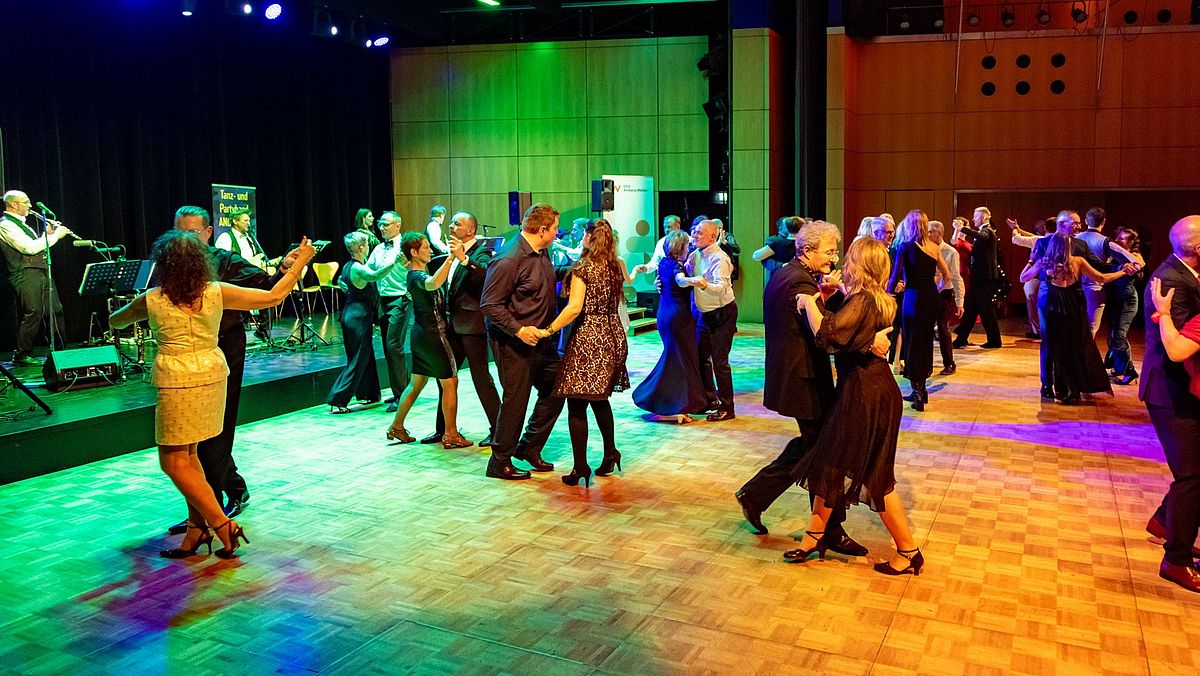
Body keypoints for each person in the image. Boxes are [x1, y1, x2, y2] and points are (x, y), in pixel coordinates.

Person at [110, 229, 315, 559]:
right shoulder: (216, 291)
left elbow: (116, 322)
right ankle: (197, 530)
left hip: (178, 380)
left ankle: (222, 524)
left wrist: (131, 310)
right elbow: (274, 297)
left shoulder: (152, 299)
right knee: (191, 458)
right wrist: (300, 263)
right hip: (212, 375)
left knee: (173, 461)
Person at [736, 220, 885, 554]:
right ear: (806, 250)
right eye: (829, 252)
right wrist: (864, 337)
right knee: (825, 450)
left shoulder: (786, 274)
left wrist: (825, 296)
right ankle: (828, 529)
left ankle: (757, 496)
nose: (834, 258)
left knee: (814, 446)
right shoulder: (800, 282)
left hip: (795, 375)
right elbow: (825, 335)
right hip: (803, 378)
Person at [785, 237, 922, 575]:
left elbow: (829, 336)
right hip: (873, 389)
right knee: (831, 465)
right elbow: (854, 332)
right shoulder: (876, 298)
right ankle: (813, 537)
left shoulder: (863, 300)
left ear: (860, 265)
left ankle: (908, 551)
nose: (844, 262)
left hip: (864, 393)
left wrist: (809, 303)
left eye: (849, 258)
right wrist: (835, 297)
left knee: (873, 476)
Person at [164, 206, 302, 532]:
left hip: (223, 348)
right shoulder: (169, 264)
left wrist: (287, 267)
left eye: (192, 232)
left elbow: (267, 285)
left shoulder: (224, 261)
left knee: (217, 426)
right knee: (194, 432)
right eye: (180, 231)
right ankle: (228, 492)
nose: (185, 238)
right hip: (188, 356)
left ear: (208, 232)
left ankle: (208, 511)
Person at [480, 203, 570, 480]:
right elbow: (490, 305)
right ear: (542, 230)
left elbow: (544, 279)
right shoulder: (509, 259)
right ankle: (499, 461)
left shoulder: (541, 252)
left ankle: (529, 447)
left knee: (558, 386)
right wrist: (519, 330)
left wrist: (574, 272)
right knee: (515, 401)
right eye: (554, 229)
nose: (556, 233)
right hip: (513, 343)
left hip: (541, 340)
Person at [538, 219, 630, 487]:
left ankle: (580, 467)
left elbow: (574, 308)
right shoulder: (614, 267)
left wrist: (548, 329)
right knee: (600, 399)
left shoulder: (583, 269)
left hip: (589, 339)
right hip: (612, 336)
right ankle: (611, 452)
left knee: (576, 404)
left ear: (589, 237)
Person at [1140, 216, 1200, 593]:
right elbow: (1176, 348)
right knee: (1192, 476)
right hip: (1170, 390)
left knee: (1192, 472)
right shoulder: (1172, 280)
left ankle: (1166, 521)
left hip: (1182, 388)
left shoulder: (1184, 274)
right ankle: (1176, 559)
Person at [1019, 226, 1134, 404]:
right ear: (1068, 246)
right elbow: (1102, 278)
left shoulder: (1044, 262)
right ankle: (1071, 389)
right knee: (1071, 347)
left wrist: (1030, 260)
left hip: (1052, 307)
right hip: (1072, 307)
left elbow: (1023, 278)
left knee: (1050, 346)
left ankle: (1048, 386)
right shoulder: (1078, 261)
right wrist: (1122, 272)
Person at [386, 232, 471, 448]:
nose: (430, 251)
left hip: (421, 335)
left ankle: (397, 426)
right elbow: (432, 284)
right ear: (414, 252)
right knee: (450, 382)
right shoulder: (416, 276)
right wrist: (451, 258)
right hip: (434, 336)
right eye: (426, 247)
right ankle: (450, 433)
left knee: (417, 383)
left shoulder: (416, 274)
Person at [426, 211, 502, 447]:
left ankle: (499, 430)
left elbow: (486, 277)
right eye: (451, 223)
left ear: (470, 230)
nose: (451, 226)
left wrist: (465, 259)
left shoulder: (480, 252)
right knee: (445, 377)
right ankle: (443, 429)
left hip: (473, 326)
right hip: (452, 326)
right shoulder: (450, 253)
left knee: (481, 379)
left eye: (456, 224)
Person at [632, 230, 708, 423]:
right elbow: (680, 281)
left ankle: (675, 404)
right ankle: (673, 405)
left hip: (665, 314)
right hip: (677, 316)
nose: (689, 248)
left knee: (676, 359)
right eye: (687, 245)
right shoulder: (676, 265)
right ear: (680, 247)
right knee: (679, 361)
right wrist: (695, 281)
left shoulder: (663, 263)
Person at [326, 231, 401, 413]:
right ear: (361, 248)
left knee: (365, 356)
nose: (369, 246)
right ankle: (338, 399)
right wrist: (395, 262)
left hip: (352, 315)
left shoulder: (349, 266)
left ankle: (370, 393)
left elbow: (345, 279)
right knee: (359, 358)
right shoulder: (359, 268)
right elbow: (375, 275)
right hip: (357, 318)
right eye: (366, 244)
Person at [888, 210, 953, 411]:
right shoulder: (934, 247)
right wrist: (935, 288)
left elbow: (895, 276)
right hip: (930, 298)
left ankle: (917, 392)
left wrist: (887, 294)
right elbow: (947, 275)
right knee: (924, 343)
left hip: (913, 298)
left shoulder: (905, 247)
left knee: (912, 343)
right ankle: (921, 390)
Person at [0, 190, 71, 366]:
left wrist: (47, 235)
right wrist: (55, 236)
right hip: (24, 273)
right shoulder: (6, 225)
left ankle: (61, 352)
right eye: (26, 202)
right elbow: (28, 248)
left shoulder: (24, 225)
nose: (30, 206)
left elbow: (37, 246)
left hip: (40, 270)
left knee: (55, 310)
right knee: (34, 312)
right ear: (14, 204)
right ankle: (21, 354)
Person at [689, 219, 738, 421]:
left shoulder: (720, 258)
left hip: (722, 314)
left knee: (720, 362)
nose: (695, 235)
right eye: (694, 231)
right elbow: (685, 270)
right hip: (705, 313)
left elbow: (722, 288)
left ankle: (727, 408)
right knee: (702, 357)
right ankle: (710, 400)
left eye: (699, 233)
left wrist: (703, 285)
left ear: (712, 237)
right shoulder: (696, 254)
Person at [367, 212, 411, 414]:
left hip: (400, 299)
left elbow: (420, 269)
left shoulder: (405, 246)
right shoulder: (378, 248)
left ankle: (402, 395)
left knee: (394, 346)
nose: (381, 227)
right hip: (383, 300)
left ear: (397, 225)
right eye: (380, 224)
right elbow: (369, 270)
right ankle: (402, 389)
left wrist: (408, 264)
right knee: (388, 347)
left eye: (385, 224)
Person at [215, 208, 271, 339]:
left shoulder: (249, 238)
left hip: (248, 277)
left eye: (249, 220)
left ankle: (263, 330)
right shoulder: (226, 237)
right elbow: (223, 261)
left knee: (267, 291)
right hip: (233, 279)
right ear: (235, 221)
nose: (248, 223)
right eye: (245, 220)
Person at [953, 207, 1003, 349]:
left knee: (986, 310)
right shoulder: (983, 231)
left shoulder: (987, 231)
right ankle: (961, 338)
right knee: (972, 308)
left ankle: (994, 340)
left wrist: (962, 228)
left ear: (983, 217)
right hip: (980, 278)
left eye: (975, 216)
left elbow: (983, 237)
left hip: (984, 279)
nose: (973, 219)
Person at [1106, 227, 1146, 385]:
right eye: (1118, 237)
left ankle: (1130, 371)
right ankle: (1118, 367)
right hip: (1114, 299)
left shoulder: (1135, 256)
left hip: (1127, 300)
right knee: (1112, 335)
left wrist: (1119, 251)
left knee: (1119, 335)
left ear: (1131, 242)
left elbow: (1139, 264)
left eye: (1122, 238)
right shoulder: (1113, 255)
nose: (1118, 240)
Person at [928, 220, 964, 376]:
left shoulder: (950, 252)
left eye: (930, 232)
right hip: (929, 293)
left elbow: (956, 277)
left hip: (944, 294)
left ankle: (949, 363)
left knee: (943, 329)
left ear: (939, 234)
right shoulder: (925, 249)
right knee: (927, 329)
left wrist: (960, 302)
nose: (927, 234)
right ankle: (926, 364)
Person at [1076, 207, 1111, 337]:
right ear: (1104, 222)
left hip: (1076, 287)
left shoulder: (1076, 238)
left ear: (1086, 221)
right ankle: (1085, 349)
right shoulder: (1105, 241)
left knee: (1077, 324)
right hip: (1095, 287)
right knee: (1091, 327)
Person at [752, 216, 803, 280]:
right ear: (781, 228)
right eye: (787, 224)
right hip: (779, 277)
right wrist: (782, 265)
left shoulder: (801, 242)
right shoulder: (774, 241)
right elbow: (763, 259)